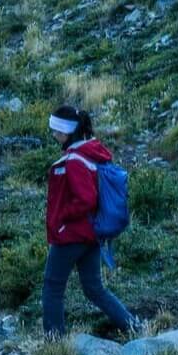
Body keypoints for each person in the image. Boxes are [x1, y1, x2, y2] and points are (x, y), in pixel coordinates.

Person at [42, 105, 136, 338]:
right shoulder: (91, 154)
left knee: (52, 288)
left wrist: (62, 218)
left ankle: (55, 344)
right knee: (94, 288)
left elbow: (86, 199)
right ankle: (134, 327)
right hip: (91, 235)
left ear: (68, 131)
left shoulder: (74, 160)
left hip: (70, 235)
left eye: (57, 130)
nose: (54, 135)